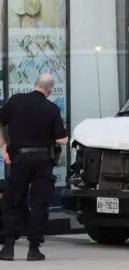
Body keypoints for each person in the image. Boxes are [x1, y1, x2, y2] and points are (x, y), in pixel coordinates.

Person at [0, 73, 68, 261]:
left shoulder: (15, 101)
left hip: (19, 159)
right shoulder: (52, 108)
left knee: (13, 201)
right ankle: (34, 249)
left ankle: (8, 248)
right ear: (50, 90)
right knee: (39, 204)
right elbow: (62, 139)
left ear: (34, 84)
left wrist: (4, 146)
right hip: (42, 161)